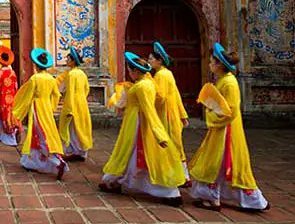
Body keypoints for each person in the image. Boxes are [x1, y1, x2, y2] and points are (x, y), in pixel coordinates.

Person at [188, 43, 270, 213]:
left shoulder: (229, 83)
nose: (209, 64)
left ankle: (251, 200)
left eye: (212, 62)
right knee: (216, 162)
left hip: (227, 130)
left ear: (219, 64)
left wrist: (211, 116)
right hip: (221, 128)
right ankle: (213, 197)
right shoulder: (223, 81)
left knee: (223, 161)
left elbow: (230, 111)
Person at [100, 52, 185, 206]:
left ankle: (168, 192)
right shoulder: (147, 82)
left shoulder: (142, 86)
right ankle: (116, 182)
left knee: (133, 153)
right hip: (134, 122)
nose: (129, 73)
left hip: (139, 124)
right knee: (130, 154)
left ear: (136, 71)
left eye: (130, 70)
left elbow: (149, 110)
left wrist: (159, 133)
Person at [12, 48, 68, 180]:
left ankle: (58, 162)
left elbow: (27, 96)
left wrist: (18, 112)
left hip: (37, 108)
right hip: (47, 108)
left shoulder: (35, 78)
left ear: (36, 65)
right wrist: (51, 107)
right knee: (39, 134)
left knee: (41, 135)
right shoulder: (51, 79)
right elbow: (56, 95)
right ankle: (31, 161)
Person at [148, 41, 190, 183]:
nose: (149, 62)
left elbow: (160, 96)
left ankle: (181, 175)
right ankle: (183, 175)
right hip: (173, 113)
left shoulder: (161, 75)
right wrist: (183, 114)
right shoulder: (167, 74)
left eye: (151, 59)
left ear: (159, 61)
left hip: (166, 115)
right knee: (177, 145)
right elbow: (176, 95)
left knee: (171, 145)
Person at [55, 47, 93, 161]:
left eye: (68, 59)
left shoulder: (71, 74)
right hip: (82, 102)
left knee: (72, 128)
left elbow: (70, 91)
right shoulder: (82, 74)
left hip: (72, 103)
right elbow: (87, 89)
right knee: (81, 127)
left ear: (72, 61)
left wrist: (69, 108)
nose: (66, 61)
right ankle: (82, 151)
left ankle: (74, 151)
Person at [0, 45, 22, 146]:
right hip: (12, 97)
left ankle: (2, 135)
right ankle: (13, 131)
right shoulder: (12, 73)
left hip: (1, 98)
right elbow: (16, 86)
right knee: (10, 115)